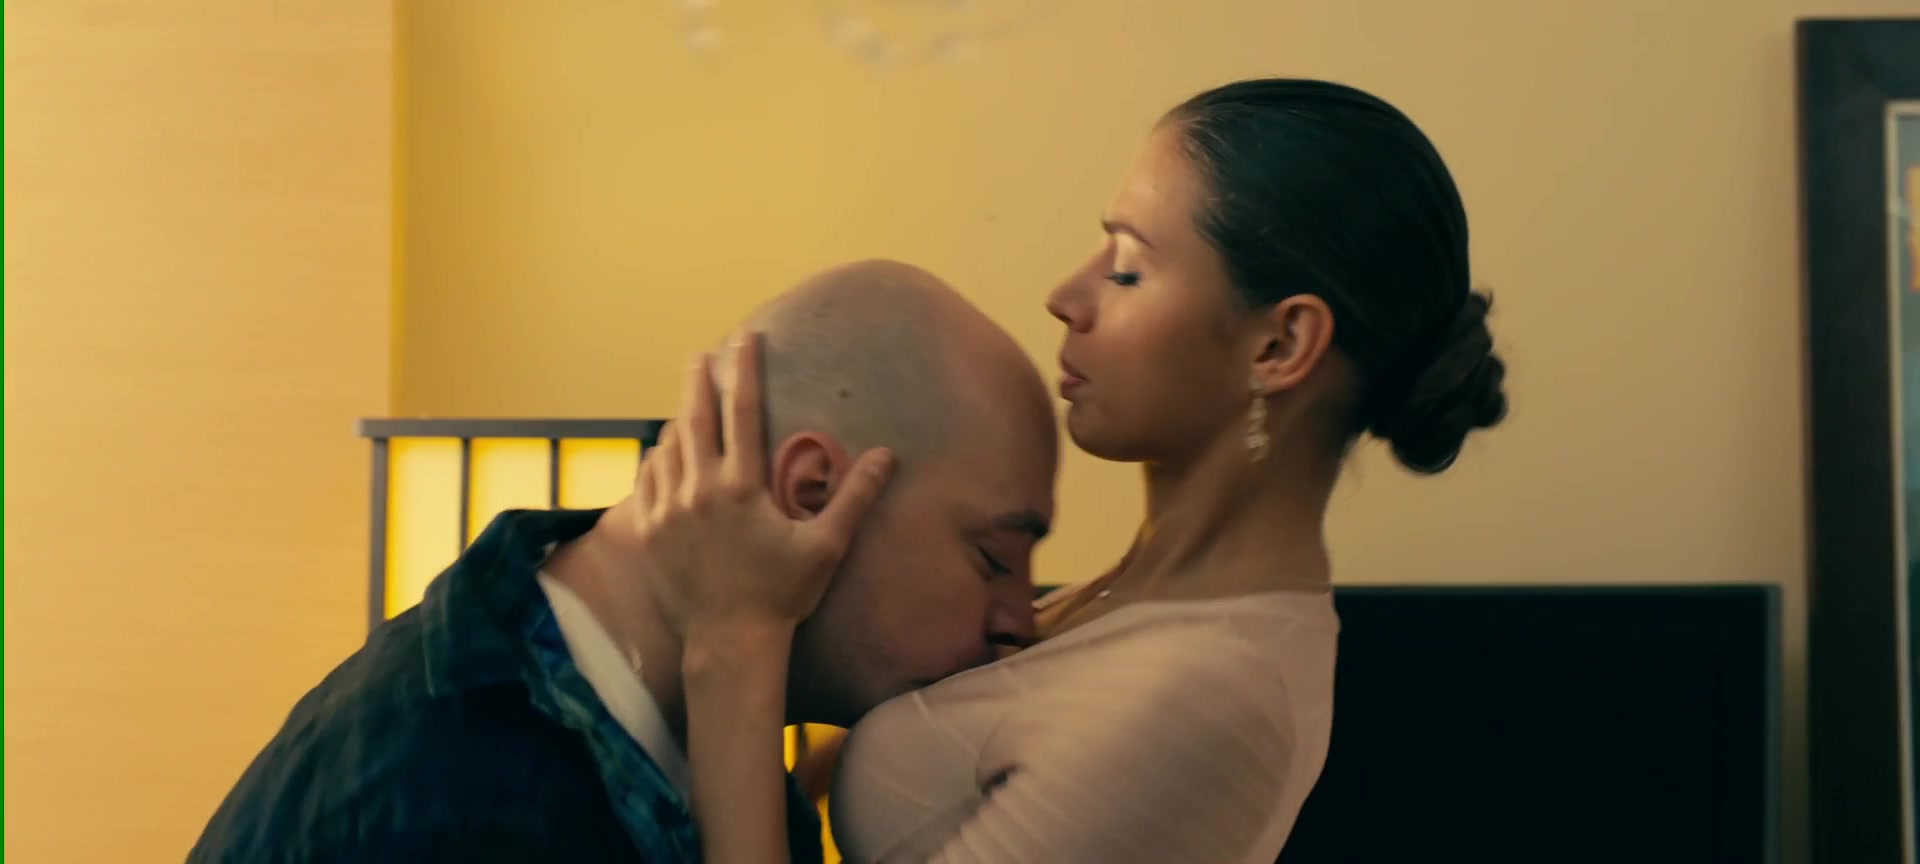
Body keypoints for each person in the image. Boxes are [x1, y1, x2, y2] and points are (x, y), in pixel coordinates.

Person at [619, 77, 1510, 863]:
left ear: (1279, 345)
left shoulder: (1203, 698)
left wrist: (733, 639)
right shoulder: (1140, 601)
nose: (1065, 297)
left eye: (1126, 270)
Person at [183, 259, 1059, 864]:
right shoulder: (453, 791)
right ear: (809, 491)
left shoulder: (702, 742)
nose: (1017, 621)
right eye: (993, 558)